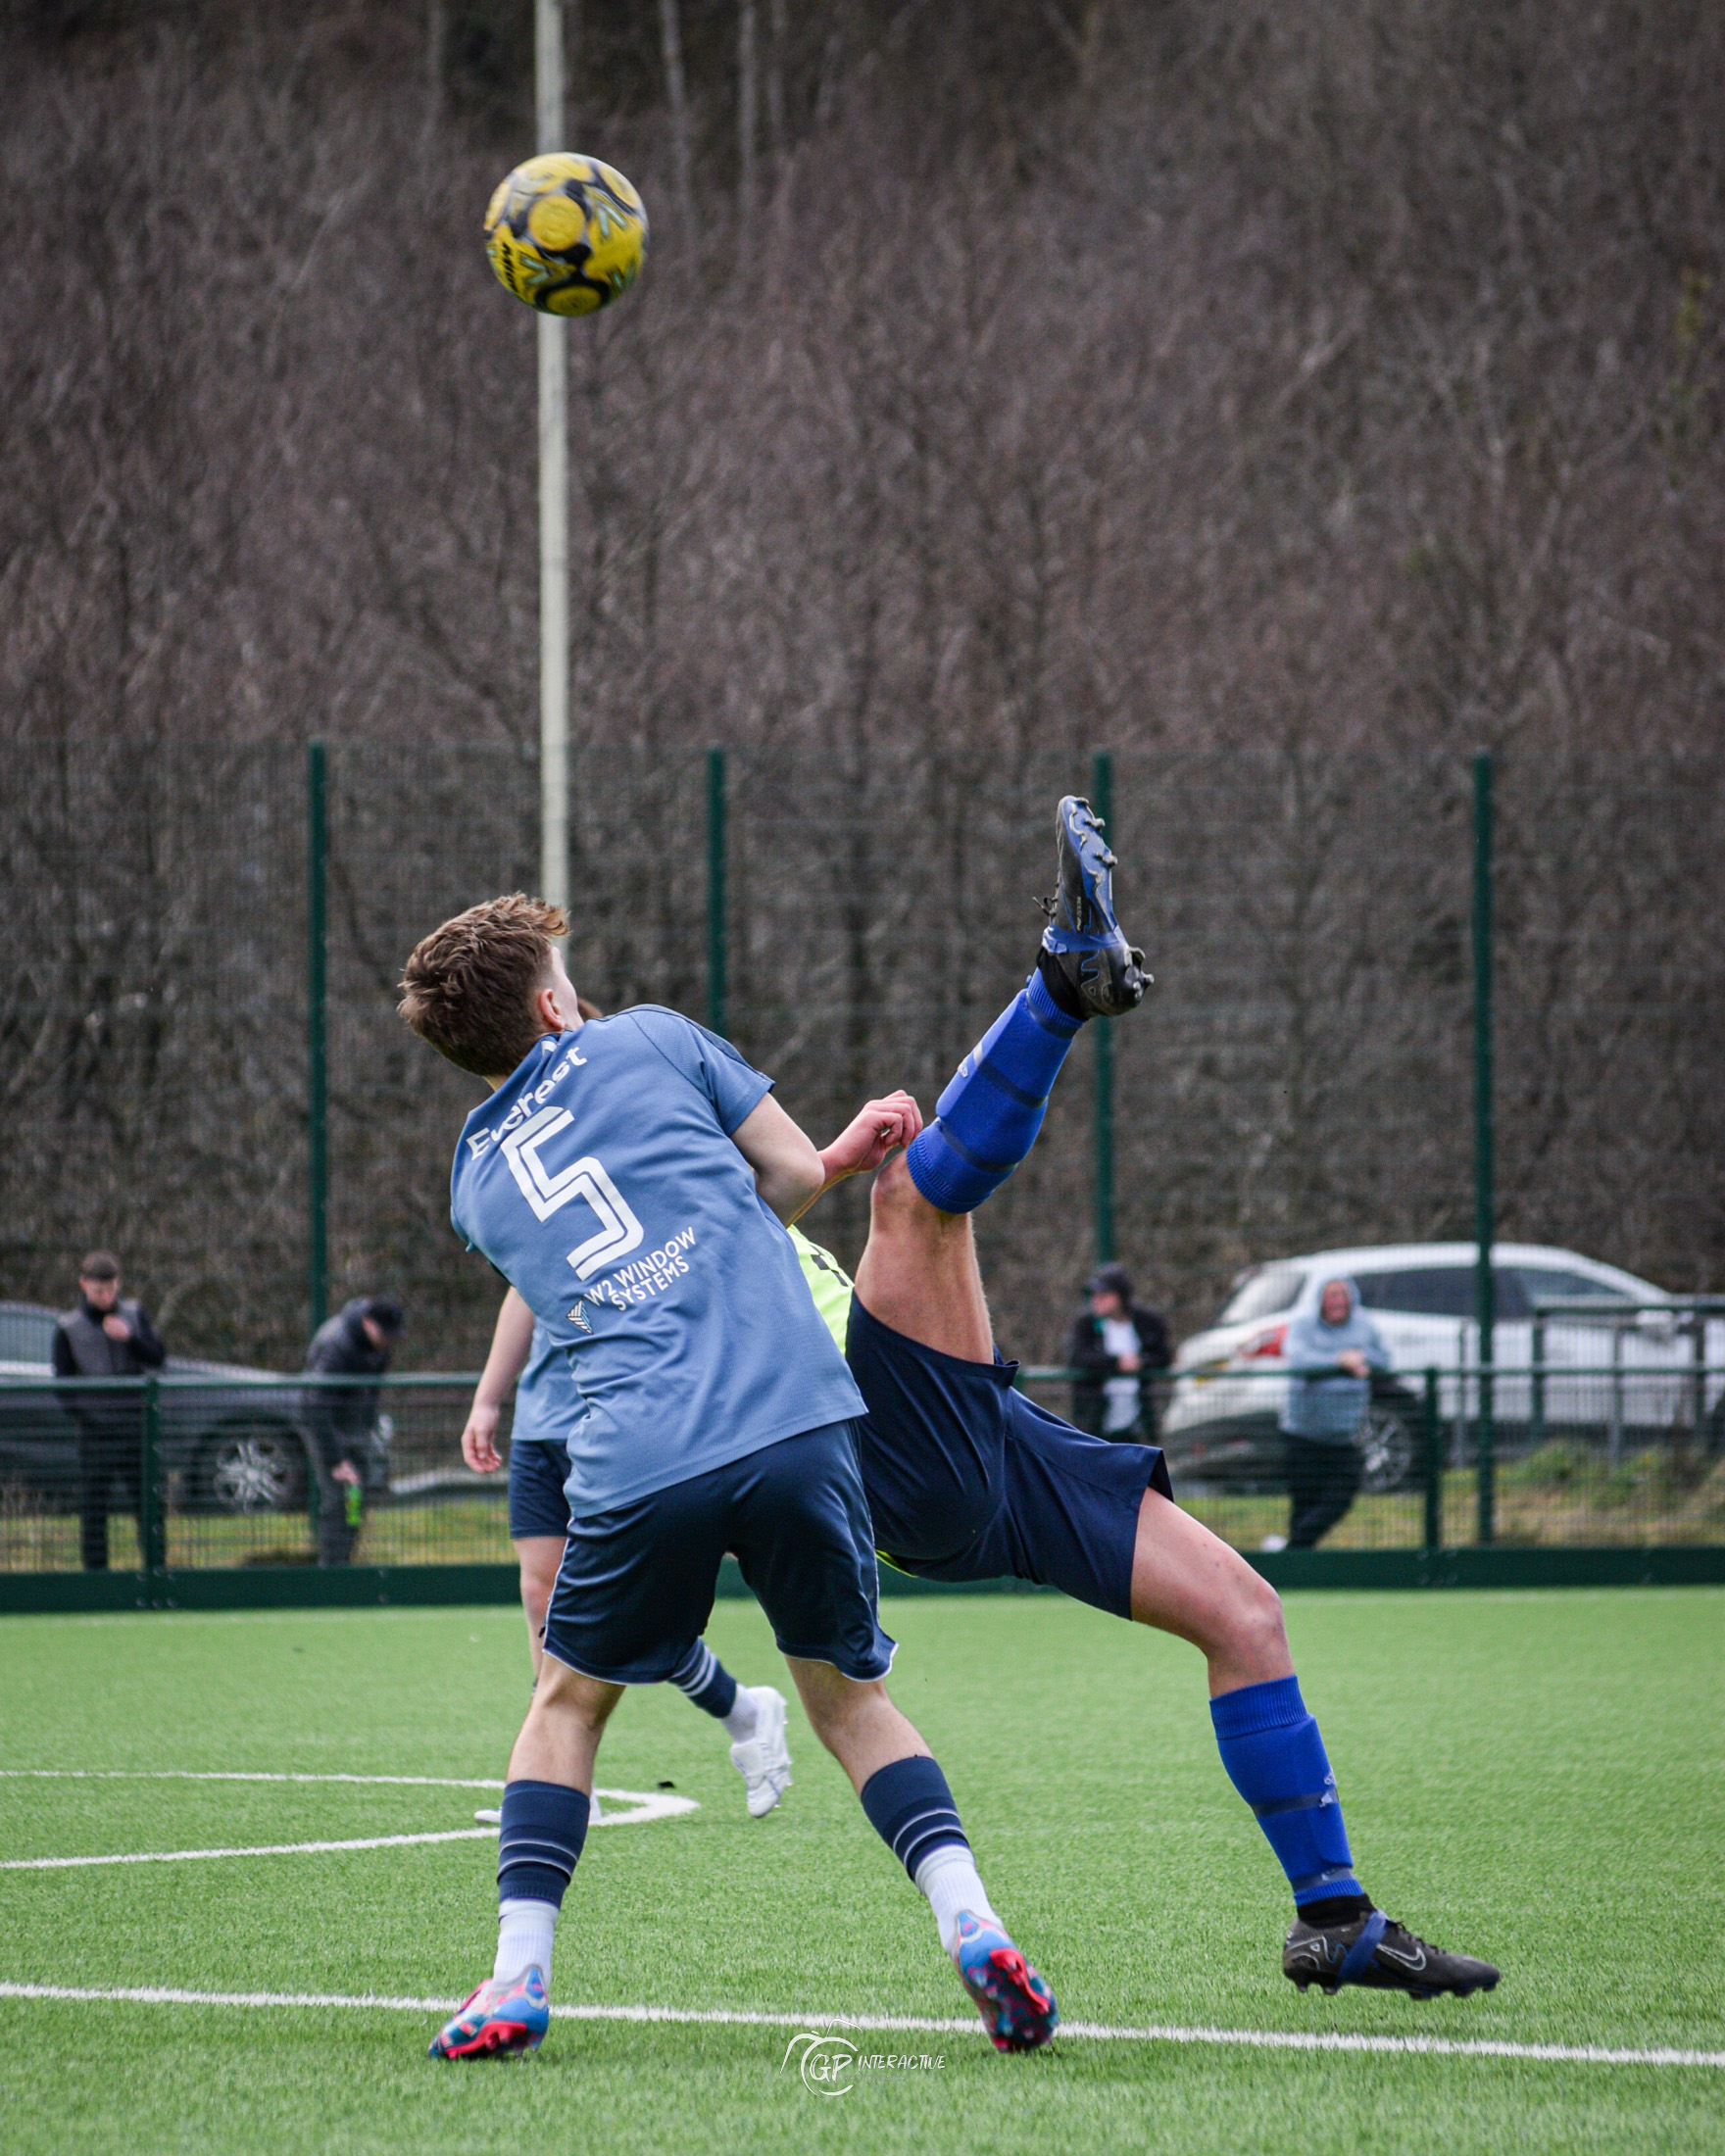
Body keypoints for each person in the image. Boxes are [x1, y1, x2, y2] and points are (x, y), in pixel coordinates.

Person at [468, 799, 1500, 2007]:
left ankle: (1335, 1916)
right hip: (865, 1431)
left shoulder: (618, 1160)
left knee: (1244, 1614)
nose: (586, 1005)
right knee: (917, 1195)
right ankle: (1059, 986)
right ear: (551, 1009)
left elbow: (755, 1195)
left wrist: (822, 1160)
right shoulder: (631, 1094)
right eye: (568, 990)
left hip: (976, 1427)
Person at [398, 893, 1058, 2062]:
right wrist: (834, 1158)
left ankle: (514, 1978)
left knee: (564, 1704)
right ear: (553, 1001)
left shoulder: (471, 1181)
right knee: (850, 1703)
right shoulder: (651, 1034)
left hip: (640, 1451)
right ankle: (972, 1925)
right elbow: (792, 1176)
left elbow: (605, 1263)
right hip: (798, 1414)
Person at [462, 1285, 795, 1818]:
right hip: (538, 1429)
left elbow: (658, 1316)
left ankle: (744, 1710)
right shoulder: (534, 1218)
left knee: (635, 1613)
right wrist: (486, 1399)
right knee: (540, 1594)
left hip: (618, 1428)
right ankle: (566, 1784)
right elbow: (523, 1295)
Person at [51, 1251, 167, 1572]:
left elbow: (157, 1357)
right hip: (95, 1434)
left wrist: (129, 1339)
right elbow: (63, 1386)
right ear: (83, 1285)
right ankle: (96, 1577)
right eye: (98, 1290)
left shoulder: (133, 1315)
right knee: (94, 1509)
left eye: (111, 1288)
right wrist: (85, 1418)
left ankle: (156, 1573)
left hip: (136, 1429)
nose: (105, 1296)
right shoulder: (68, 1327)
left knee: (149, 1505)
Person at [1271, 1278, 1390, 1552]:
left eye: (1342, 1294)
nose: (1336, 1300)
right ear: (1320, 1299)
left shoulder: (1364, 1326)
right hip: (1303, 1433)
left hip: (1343, 1436)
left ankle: (1292, 1548)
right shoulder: (1303, 1325)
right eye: (1330, 1294)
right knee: (1304, 1501)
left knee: (1343, 1493)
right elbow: (1298, 1359)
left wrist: (1360, 1358)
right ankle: (1297, 1560)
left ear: (1352, 1298)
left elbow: (1383, 1359)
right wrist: (1340, 1361)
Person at [301, 1295, 404, 1566]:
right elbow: (315, 1403)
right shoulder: (335, 1343)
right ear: (368, 1324)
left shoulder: (381, 1346)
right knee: (337, 1499)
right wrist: (336, 1459)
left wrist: (369, 1431)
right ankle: (332, 1570)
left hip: (356, 1428)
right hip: (326, 1429)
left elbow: (372, 1391)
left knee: (356, 1498)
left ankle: (345, 1561)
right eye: (384, 1334)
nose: (388, 1342)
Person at [1065, 1263, 1172, 1441]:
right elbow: (1078, 1357)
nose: (1096, 1300)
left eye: (1104, 1295)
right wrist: (1117, 1363)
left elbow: (1163, 1356)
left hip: (1135, 1424)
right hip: (1094, 1424)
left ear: (1121, 1296)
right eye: (1093, 1295)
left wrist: (1141, 1362)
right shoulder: (1085, 1325)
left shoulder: (1147, 1322)